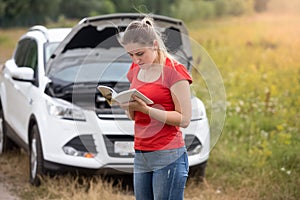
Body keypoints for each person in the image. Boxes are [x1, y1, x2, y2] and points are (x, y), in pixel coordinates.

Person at [119, 16, 192, 200]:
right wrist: (128, 106)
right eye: (131, 55)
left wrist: (148, 110)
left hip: (168, 156)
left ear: (154, 44)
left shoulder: (175, 71)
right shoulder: (136, 69)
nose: (136, 60)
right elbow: (134, 117)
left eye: (140, 54)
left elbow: (184, 119)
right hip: (141, 154)